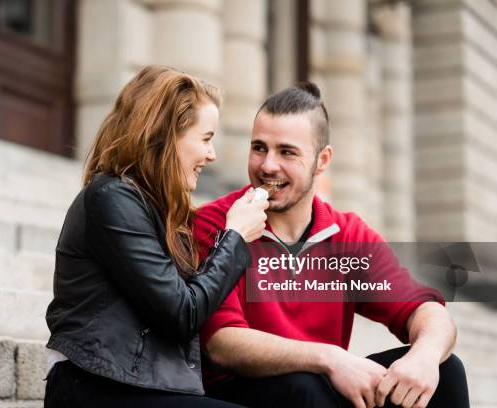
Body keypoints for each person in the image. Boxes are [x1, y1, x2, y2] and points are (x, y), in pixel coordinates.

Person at [193, 83, 470, 408]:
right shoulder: (217, 222)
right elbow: (221, 343)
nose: (268, 165)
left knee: (446, 371)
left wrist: (424, 357)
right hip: (238, 393)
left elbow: (424, 309)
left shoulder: (347, 234)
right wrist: (330, 357)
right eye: (259, 148)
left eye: (287, 152)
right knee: (306, 385)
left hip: (318, 386)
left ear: (322, 160)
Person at [43, 66, 269, 407]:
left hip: (146, 382)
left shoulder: (157, 208)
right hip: (93, 384)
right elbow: (182, 313)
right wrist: (235, 235)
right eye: (206, 138)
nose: (212, 155)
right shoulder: (112, 199)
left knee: (301, 389)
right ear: (165, 136)